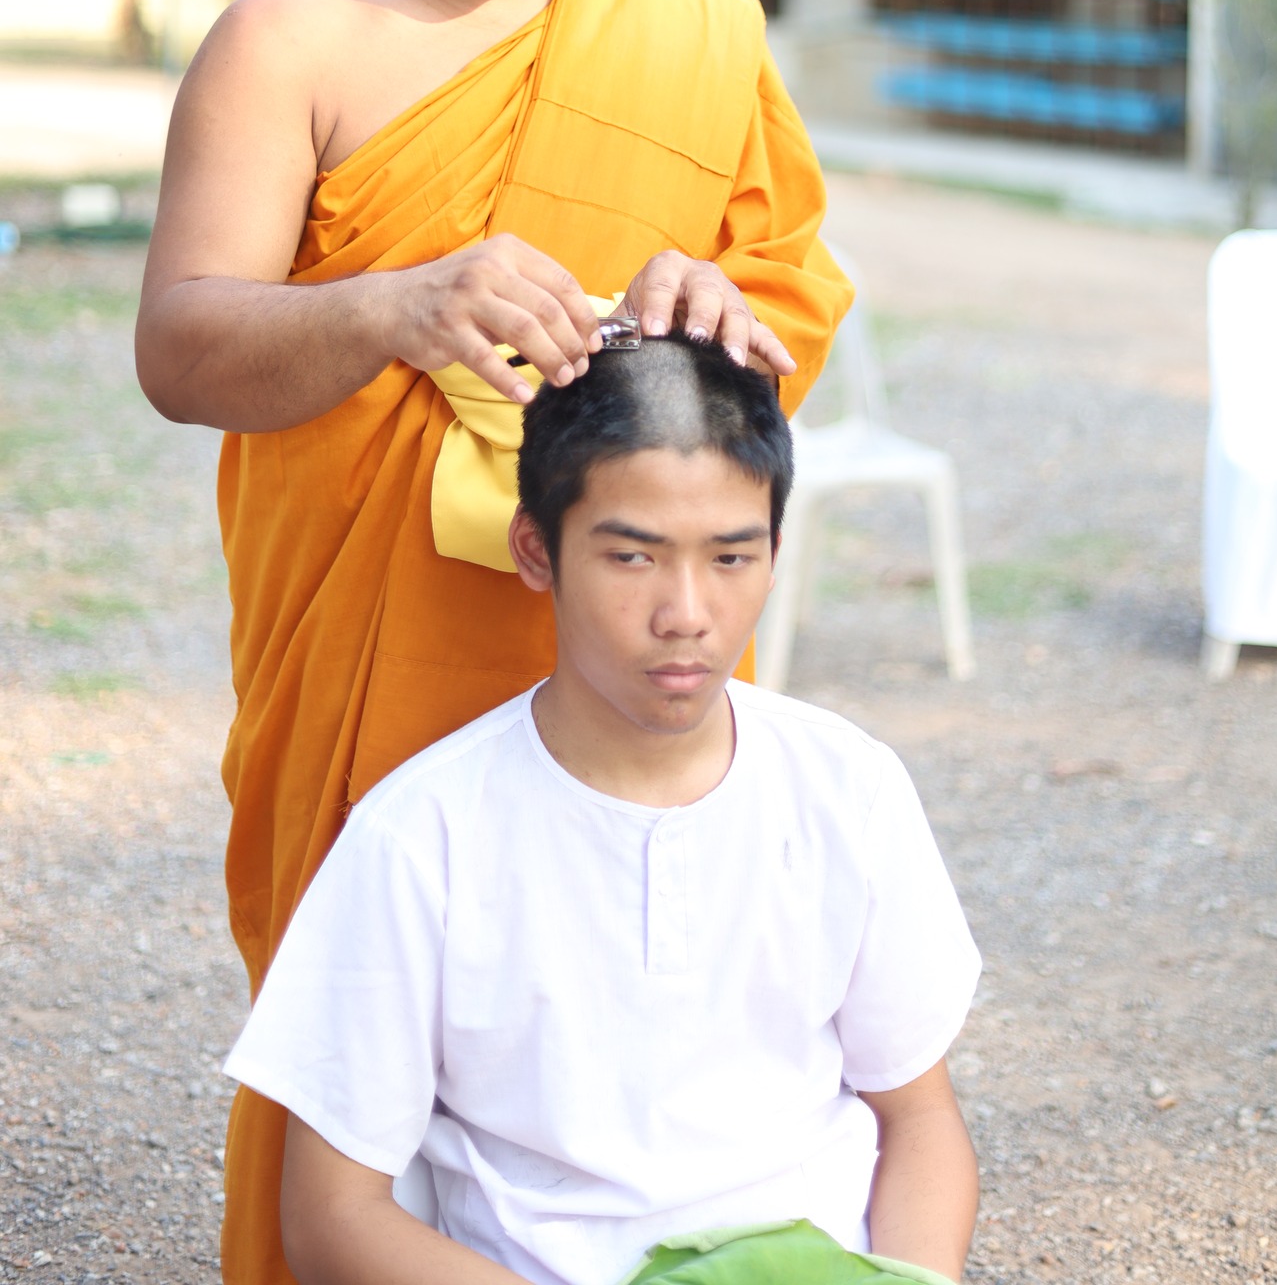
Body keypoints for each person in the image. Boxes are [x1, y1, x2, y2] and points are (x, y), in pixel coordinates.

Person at [134, 0, 852, 1282]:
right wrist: (395, 304)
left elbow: (783, 304)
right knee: (375, 1028)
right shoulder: (286, 43)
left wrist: (712, 302)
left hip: (606, 643)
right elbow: (184, 346)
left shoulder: (699, 35)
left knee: (607, 1025)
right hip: (375, 650)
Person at [224, 336, 982, 1285]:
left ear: (776, 553)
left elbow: (917, 1117)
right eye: (632, 556)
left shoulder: (846, 787)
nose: (687, 613)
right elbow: (333, 1219)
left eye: (731, 557)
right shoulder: (423, 832)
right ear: (536, 549)